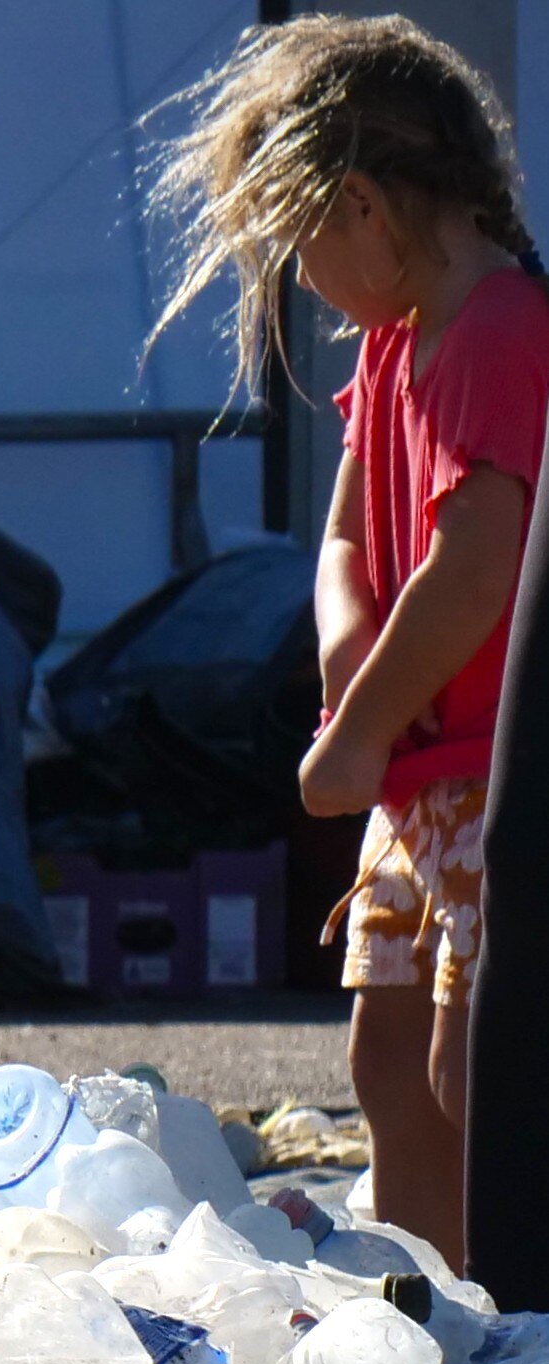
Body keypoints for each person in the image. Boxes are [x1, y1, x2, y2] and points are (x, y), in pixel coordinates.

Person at [161, 20, 540, 1272]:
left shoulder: (499, 333)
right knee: (386, 1058)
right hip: (416, 782)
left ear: (366, 204)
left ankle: (515, 1310)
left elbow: (478, 559)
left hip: (494, 773)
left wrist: (370, 720)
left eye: (300, 244)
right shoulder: (392, 347)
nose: (303, 280)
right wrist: (345, 658)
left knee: (469, 1061)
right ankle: (440, 1315)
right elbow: (343, 538)